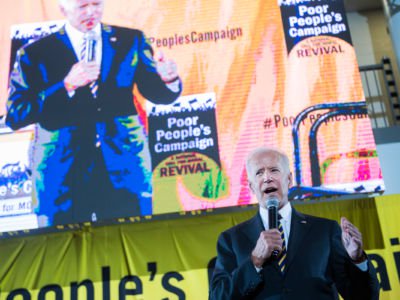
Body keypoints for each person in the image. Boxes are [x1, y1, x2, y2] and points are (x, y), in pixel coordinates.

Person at [6, 0, 182, 226]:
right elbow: (16, 114)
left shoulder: (131, 40)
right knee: (64, 250)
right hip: (61, 173)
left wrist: (169, 79)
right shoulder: (34, 53)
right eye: (82, 6)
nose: (91, 12)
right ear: (63, 9)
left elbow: (158, 94)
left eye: (96, 4)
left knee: (132, 244)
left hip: (124, 166)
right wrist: (66, 85)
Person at [209, 147, 380, 299]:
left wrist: (357, 259)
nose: (267, 178)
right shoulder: (231, 240)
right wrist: (255, 260)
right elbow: (218, 296)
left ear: (289, 180)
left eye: (274, 170)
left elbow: (363, 296)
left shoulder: (325, 230)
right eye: (259, 173)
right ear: (252, 187)